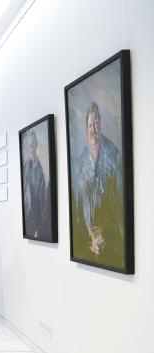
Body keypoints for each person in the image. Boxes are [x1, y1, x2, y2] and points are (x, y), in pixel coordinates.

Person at [72, 102, 124, 266]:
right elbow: (78, 209)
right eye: (90, 125)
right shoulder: (81, 163)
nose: (93, 129)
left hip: (112, 240)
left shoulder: (114, 156)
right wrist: (88, 239)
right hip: (87, 245)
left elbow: (121, 204)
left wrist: (106, 236)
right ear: (85, 130)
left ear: (100, 125)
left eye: (96, 123)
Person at [22, 129, 49, 238]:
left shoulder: (40, 170)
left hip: (36, 219)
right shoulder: (26, 165)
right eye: (29, 146)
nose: (31, 148)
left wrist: (40, 224)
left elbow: (43, 199)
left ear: (36, 145)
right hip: (27, 217)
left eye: (33, 145)